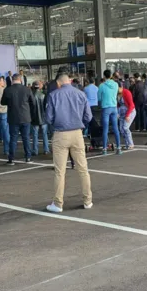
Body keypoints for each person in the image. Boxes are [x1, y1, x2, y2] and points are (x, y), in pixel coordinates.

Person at [44, 71, 93, 213]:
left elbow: (48, 118)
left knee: (60, 172)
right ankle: (87, 201)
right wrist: (79, 123)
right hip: (78, 133)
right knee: (83, 169)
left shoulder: (53, 95)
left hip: (60, 134)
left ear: (59, 83)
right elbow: (88, 116)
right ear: (70, 81)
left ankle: (58, 204)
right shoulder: (81, 94)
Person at [1, 74, 35, 165]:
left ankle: (11, 158)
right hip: (25, 117)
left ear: (12, 80)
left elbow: (2, 102)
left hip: (13, 118)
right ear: (20, 79)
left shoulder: (7, 90)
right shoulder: (27, 89)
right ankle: (28, 157)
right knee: (26, 138)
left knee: (13, 138)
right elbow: (33, 103)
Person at [97, 70, 121, 154]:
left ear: (104, 76)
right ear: (111, 75)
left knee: (105, 129)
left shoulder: (101, 86)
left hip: (105, 108)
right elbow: (117, 95)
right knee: (115, 128)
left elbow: (99, 98)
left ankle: (104, 149)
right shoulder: (116, 84)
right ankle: (118, 148)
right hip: (114, 107)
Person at [30, 81, 50, 155]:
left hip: (34, 118)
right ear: (39, 87)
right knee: (45, 134)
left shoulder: (31, 95)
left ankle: (35, 150)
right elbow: (46, 107)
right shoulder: (43, 95)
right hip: (43, 117)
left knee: (35, 135)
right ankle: (46, 149)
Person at [118, 82, 136, 149]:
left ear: (121, 87)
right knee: (121, 129)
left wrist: (127, 115)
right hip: (122, 112)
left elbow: (131, 105)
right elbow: (117, 104)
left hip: (130, 112)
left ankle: (131, 144)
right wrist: (118, 113)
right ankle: (127, 143)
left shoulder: (127, 92)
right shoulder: (117, 93)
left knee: (125, 127)